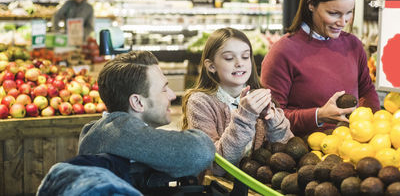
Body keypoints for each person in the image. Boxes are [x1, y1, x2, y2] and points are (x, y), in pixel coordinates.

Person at [260, 0, 380, 137]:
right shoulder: (283, 52)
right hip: (302, 155)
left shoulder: (353, 45)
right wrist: (318, 115)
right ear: (311, 4)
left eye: (349, 13)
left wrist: (372, 126)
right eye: (334, 13)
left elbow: (367, 90)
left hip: (351, 148)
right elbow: (269, 119)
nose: (343, 22)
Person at [78, 50, 215, 179]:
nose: (172, 95)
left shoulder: (100, 130)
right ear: (137, 102)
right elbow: (201, 151)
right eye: (164, 89)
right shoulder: (121, 133)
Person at [182, 28, 293, 176]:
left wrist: (273, 119)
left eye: (245, 57)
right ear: (211, 66)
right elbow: (214, 166)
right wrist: (245, 116)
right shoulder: (200, 102)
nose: (239, 63)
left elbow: (288, 154)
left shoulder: (259, 98)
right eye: (229, 58)